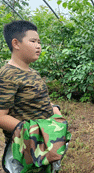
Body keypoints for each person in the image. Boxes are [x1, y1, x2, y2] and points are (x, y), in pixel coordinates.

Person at [0, 20, 62, 170]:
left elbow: (41, 100)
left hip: (45, 142)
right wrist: (32, 132)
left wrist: (56, 113)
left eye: (39, 42)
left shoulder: (33, 73)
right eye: (33, 41)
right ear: (16, 43)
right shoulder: (7, 75)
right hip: (25, 147)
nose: (38, 46)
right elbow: (1, 116)